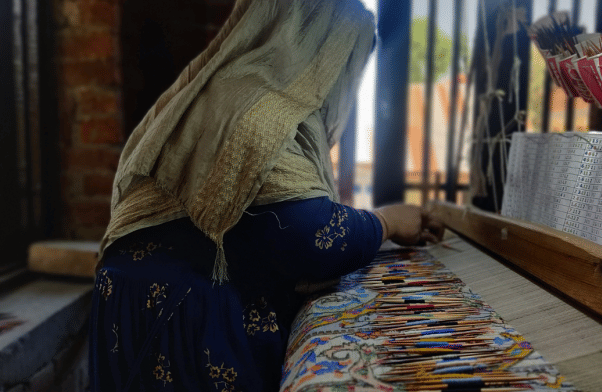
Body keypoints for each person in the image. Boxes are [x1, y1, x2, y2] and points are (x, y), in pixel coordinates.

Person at [89, 1, 444, 391]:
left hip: (134, 305)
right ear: (319, 48)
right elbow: (312, 238)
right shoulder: (263, 111)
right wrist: (388, 222)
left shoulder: (207, 91)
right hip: (181, 318)